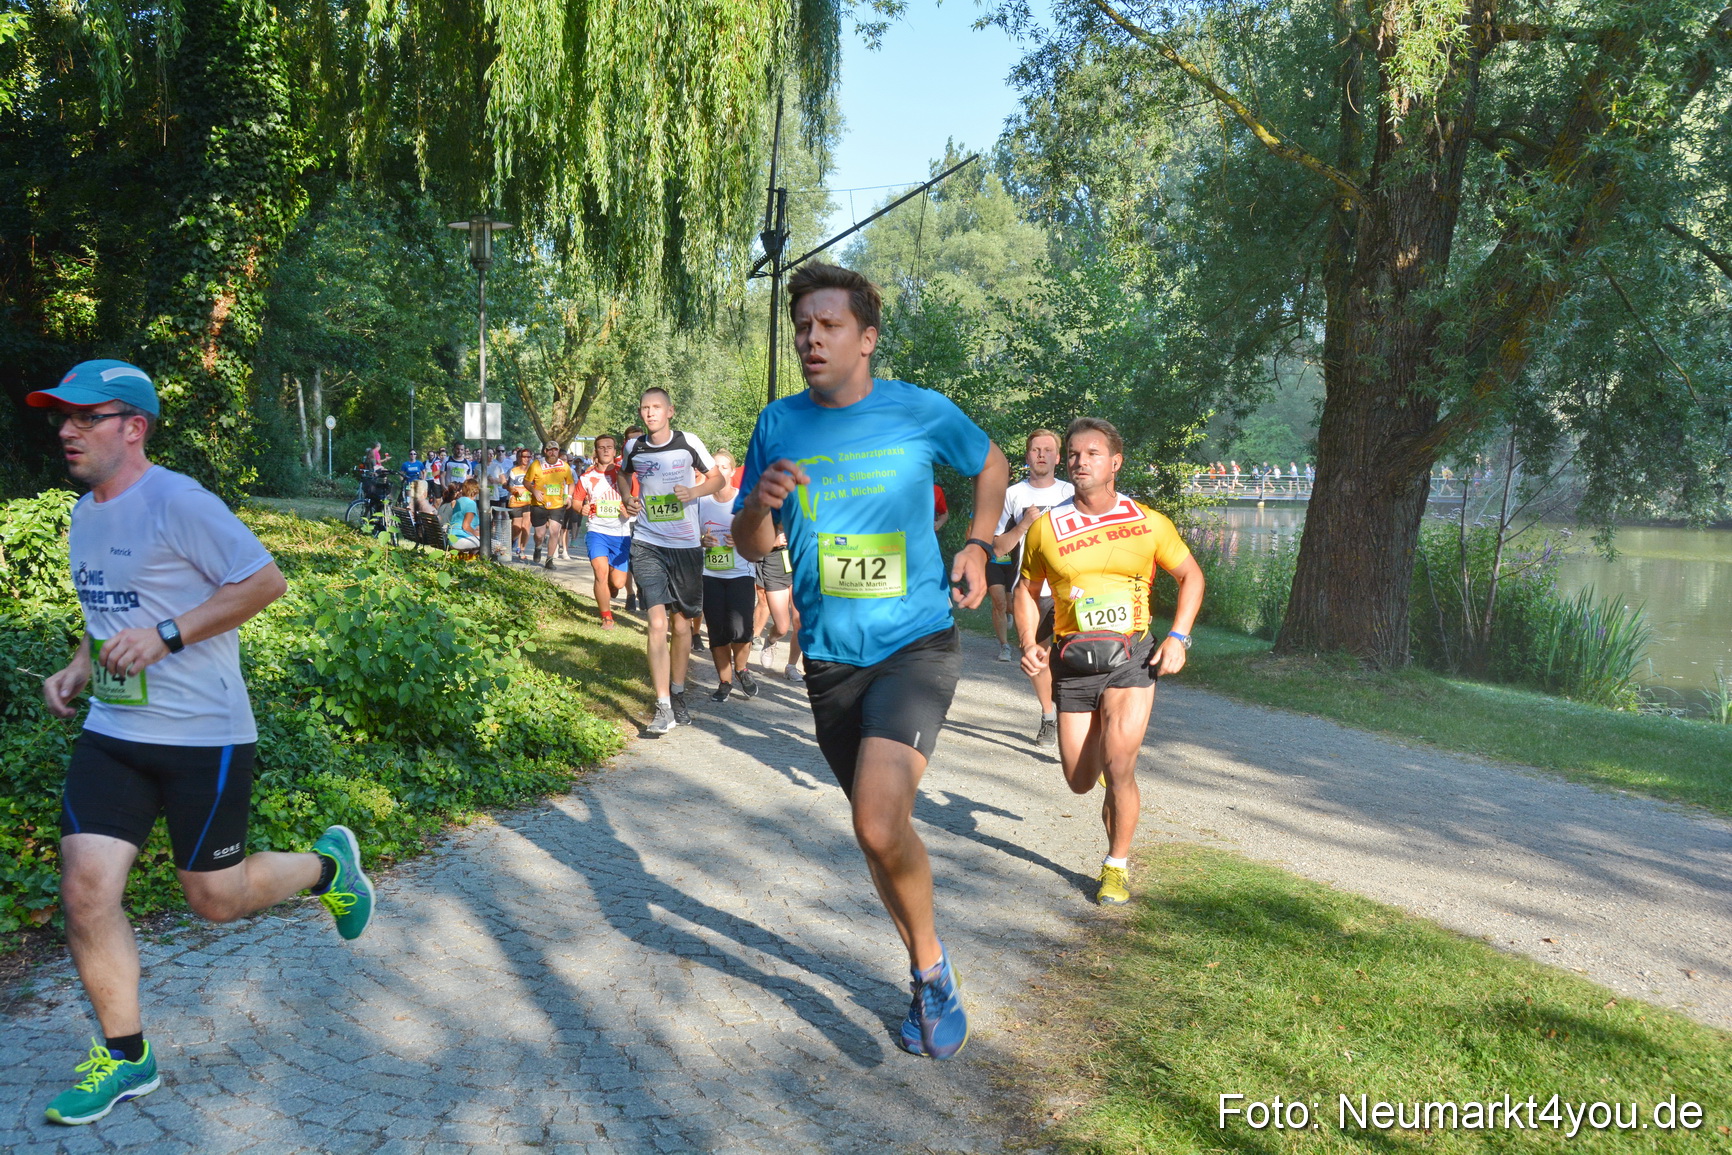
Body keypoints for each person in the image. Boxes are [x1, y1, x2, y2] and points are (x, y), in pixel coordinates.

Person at [27, 360, 374, 1126]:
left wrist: (167, 636)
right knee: (86, 890)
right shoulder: (86, 512)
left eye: (85, 416)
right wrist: (81, 664)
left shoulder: (179, 501)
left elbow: (263, 581)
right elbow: (110, 609)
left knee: (212, 900)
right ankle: (126, 1057)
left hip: (203, 735)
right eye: (62, 416)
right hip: (114, 733)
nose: (66, 429)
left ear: (133, 426)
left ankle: (328, 868)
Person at [732, 262, 1008, 1060]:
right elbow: (752, 543)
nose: (811, 337)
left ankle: (933, 970)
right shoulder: (778, 424)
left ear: (867, 338)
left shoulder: (918, 410)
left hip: (915, 643)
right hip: (830, 658)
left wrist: (980, 545)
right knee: (877, 835)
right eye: (803, 327)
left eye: (828, 325)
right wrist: (758, 506)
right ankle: (926, 969)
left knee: (876, 818)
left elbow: (989, 465)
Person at [1014, 417, 1203, 907]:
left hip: (1132, 658)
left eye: (1092, 453)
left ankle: (1115, 865)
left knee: (1121, 768)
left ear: (1115, 462)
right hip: (1072, 664)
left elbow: (1191, 577)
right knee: (1079, 780)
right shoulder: (1045, 527)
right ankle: (1105, 774)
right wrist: (1028, 642)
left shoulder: (1148, 522)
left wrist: (1178, 637)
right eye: (1073, 453)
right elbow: (1025, 591)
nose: (1080, 461)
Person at [622, 390, 723, 733]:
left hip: (685, 546)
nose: (649, 414)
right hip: (648, 542)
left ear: (670, 411)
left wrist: (694, 492)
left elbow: (718, 478)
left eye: (655, 408)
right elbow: (623, 476)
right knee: (657, 624)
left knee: (682, 625)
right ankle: (662, 705)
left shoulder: (687, 442)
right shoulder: (633, 447)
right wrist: (627, 498)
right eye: (644, 408)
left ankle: (677, 691)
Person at [990, 428, 1075, 746]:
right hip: (1030, 589)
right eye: (1035, 449)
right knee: (1035, 656)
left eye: (1047, 449)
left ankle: (1072, 715)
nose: (1041, 454)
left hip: (1068, 589)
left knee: (1070, 656)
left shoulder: (1071, 491)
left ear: (1057, 457)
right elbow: (998, 547)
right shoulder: (1013, 494)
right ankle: (1048, 717)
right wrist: (1024, 524)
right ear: (1027, 456)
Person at [697, 451, 759, 701]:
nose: (720, 470)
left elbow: (761, 537)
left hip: (741, 573)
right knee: (717, 631)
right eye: (715, 466)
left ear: (732, 472)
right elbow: (690, 536)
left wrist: (743, 539)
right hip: (710, 573)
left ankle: (742, 668)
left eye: (725, 467)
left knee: (740, 629)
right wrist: (702, 540)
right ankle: (725, 681)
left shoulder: (745, 501)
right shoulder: (701, 501)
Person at [578, 433, 632, 627]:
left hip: (620, 533)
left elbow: (634, 502)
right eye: (602, 447)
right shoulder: (586, 477)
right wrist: (581, 508)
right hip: (596, 531)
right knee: (600, 572)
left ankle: (610, 587)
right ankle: (606, 616)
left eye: (609, 447)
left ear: (615, 451)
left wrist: (628, 510)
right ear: (596, 451)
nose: (606, 450)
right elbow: (577, 503)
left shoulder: (624, 474)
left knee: (617, 583)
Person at [751, 527, 805, 684]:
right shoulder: (766, 507)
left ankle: (791, 666)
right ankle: (771, 640)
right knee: (782, 627)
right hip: (774, 566)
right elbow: (748, 540)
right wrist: (772, 542)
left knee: (799, 622)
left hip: (799, 566)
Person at [527, 442, 575, 569]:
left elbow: (571, 483)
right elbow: (526, 482)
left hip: (557, 505)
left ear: (558, 452)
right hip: (539, 504)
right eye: (549, 450)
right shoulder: (537, 464)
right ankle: (538, 547)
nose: (552, 452)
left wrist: (569, 497)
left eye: (555, 450)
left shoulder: (564, 466)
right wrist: (534, 491)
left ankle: (549, 560)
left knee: (554, 532)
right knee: (539, 534)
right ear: (545, 451)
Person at [506, 447, 535, 562]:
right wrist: (515, 491)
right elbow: (509, 485)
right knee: (517, 528)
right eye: (524, 456)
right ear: (519, 458)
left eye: (529, 457)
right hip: (516, 502)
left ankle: (522, 549)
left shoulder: (533, 470)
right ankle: (510, 544)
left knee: (526, 526)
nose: (526, 459)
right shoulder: (514, 471)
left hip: (529, 501)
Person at [447, 477, 482, 552]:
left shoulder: (459, 500)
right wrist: (477, 533)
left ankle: (471, 560)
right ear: (476, 491)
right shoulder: (471, 503)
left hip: (452, 537)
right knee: (492, 543)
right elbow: (466, 526)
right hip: (460, 538)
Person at [400, 449, 433, 513]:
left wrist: (423, 479)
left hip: (418, 482)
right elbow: (401, 474)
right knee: (409, 495)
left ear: (416, 455)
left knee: (418, 496)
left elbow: (424, 472)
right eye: (411, 454)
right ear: (409, 455)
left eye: (414, 454)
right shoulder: (405, 464)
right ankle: (409, 507)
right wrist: (402, 481)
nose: (413, 455)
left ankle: (419, 508)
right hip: (408, 482)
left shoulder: (419, 463)